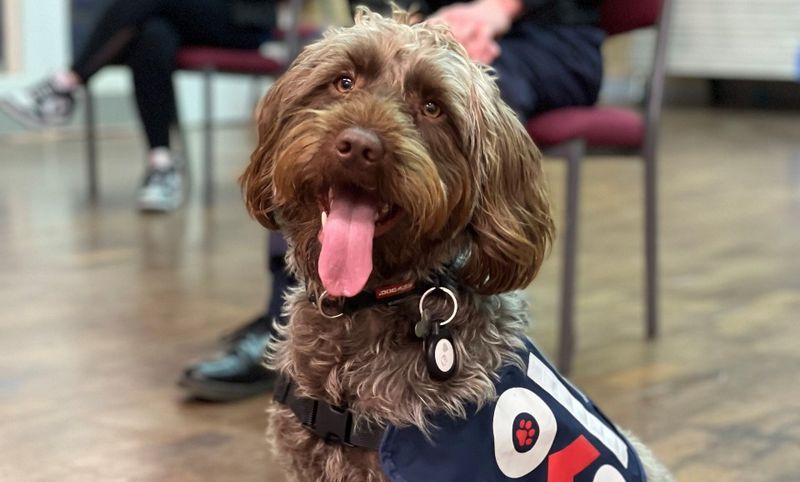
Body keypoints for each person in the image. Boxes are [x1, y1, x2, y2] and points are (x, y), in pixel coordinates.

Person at [180, 0, 604, 401]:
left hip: (542, 34)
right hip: (423, 18)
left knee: (478, 86)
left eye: (430, 110)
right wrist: (401, 24)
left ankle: (450, 302)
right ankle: (284, 309)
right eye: (346, 86)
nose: (360, 139)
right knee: (362, 58)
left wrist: (493, 10)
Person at [0, 0, 277, 212]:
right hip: (184, 16)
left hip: (243, 19)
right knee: (152, 37)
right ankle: (161, 163)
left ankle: (65, 85)